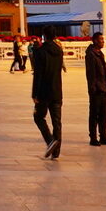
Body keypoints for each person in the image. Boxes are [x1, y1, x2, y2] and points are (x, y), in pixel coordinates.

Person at [32, 26, 65, 160]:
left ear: (44, 36)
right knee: (57, 121)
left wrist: (35, 93)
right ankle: (56, 151)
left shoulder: (40, 51)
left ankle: (50, 141)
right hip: (57, 89)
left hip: (44, 91)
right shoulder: (59, 50)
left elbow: (38, 74)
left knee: (38, 117)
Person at [84, 32, 106, 147]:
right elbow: (90, 74)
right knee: (94, 114)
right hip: (96, 89)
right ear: (95, 41)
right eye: (101, 39)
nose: (103, 42)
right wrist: (93, 88)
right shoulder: (91, 54)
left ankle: (103, 136)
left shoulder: (100, 53)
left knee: (104, 114)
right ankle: (93, 137)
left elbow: (104, 72)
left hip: (103, 87)